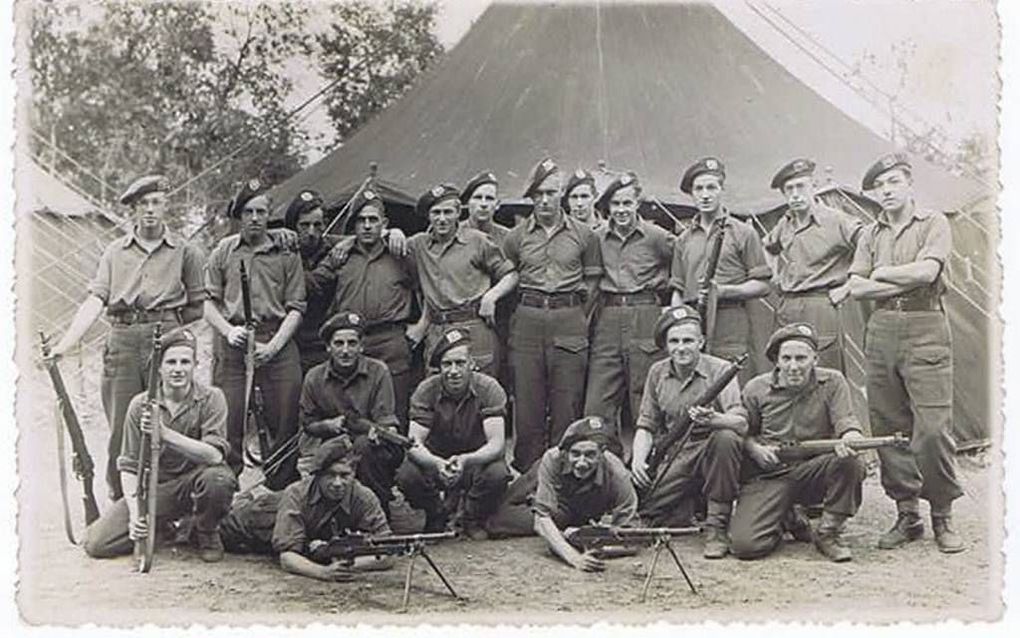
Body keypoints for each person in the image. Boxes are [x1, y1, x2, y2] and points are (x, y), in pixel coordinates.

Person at [48, 174, 205, 500]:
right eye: (142, 204)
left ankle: (167, 499)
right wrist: (65, 344)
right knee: (122, 424)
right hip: (122, 341)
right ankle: (122, 500)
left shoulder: (185, 252)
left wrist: (169, 328)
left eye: (156, 202)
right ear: (133, 210)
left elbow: (197, 308)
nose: (150, 210)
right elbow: (95, 300)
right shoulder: (114, 253)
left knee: (169, 417)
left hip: (167, 341)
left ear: (166, 206)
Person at [847, 152, 964, 554]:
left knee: (932, 429)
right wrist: (890, 279)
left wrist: (879, 274)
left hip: (926, 324)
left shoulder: (933, 222)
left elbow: (928, 273)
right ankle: (907, 514)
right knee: (887, 424)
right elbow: (856, 288)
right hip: (881, 330)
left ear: (908, 183)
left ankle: (942, 515)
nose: (887, 190)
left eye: (894, 181)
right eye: (880, 185)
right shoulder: (869, 233)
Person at [83, 328, 238, 562]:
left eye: (185, 362)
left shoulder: (211, 398)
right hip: (155, 489)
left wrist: (164, 434)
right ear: (159, 367)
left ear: (195, 364)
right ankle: (164, 526)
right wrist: (135, 516)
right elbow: (129, 466)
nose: (178, 369)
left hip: (195, 484)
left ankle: (205, 530)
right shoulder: (141, 404)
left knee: (219, 479)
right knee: (97, 543)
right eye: (171, 362)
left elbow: (215, 456)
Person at [728, 323, 867, 562]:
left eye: (801, 358)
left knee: (850, 461)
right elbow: (742, 431)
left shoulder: (833, 382)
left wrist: (851, 437)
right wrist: (755, 448)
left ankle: (828, 533)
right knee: (746, 547)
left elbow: (846, 421)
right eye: (787, 358)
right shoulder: (756, 388)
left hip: (813, 470)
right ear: (777, 361)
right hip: (770, 475)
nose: (794, 366)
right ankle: (788, 517)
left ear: (815, 358)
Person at [502, 157, 603, 471]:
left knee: (566, 403)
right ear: (531, 197)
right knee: (527, 406)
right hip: (529, 319)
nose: (545, 200)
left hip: (568, 318)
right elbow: (508, 278)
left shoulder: (585, 235)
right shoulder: (515, 237)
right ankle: (527, 479)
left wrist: (575, 315)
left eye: (551, 193)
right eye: (538, 194)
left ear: (562, 193)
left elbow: (593, 280)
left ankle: (566, 474)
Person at [203, 178, 305, 475]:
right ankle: (225, 487)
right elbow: (207, 303)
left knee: (286, 412)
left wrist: (273, 348)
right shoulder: (224, 251)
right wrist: (228, 331)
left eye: (261, 211)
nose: (255, 219)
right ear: (239, 216)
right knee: (228, 415)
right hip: (234, 343)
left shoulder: (286, 251)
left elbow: (297, 307)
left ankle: (281, 485)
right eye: (248, 212)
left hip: (277, 339)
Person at [630, 305, 746, 558]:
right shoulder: (657, 372)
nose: (681, 347)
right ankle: (689, 504)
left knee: (725, 439)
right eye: (674, 341)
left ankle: (716, 528)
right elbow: (646, 424)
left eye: (688, 340)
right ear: (666, 345)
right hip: (677, 454)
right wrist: (639, 459)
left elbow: (740, 423)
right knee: (648, 506)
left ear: (701, 342)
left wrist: (715, 419)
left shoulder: (722, 370)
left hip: (713, 452)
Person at [307, 189, 425, 427]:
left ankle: (396, 461)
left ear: (384, 223)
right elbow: (310, 283)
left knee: (394, 411)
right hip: (350, 342)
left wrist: (421, 326)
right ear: (353, 226)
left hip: (391, 340)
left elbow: (431, 288)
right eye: (361, 220)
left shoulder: (401, 252)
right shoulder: (340, 254)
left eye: (373, 220)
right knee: (352, 411)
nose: (367, 226)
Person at [220, 436, 396, 582]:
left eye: (344, 475)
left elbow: (388, 553)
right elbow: (287, 558)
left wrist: (350, 565)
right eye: (330, 475)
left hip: (297, 535)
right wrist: (324, 572)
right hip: (251, 522)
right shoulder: (297, 494)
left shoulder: (364, 497)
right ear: (317, 476)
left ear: (354, 473)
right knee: (215, 527)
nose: (337, 483)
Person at [583, 172, 673, 456]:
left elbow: (681, 268)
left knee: (643, 395)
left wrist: (664, 287)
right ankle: (604, 464)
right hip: (608, 316)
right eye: (615, 204)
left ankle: (647, 466)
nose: (621, 210)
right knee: (598, 399)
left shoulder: (657, 237)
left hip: (645, 314)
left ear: (638, 204)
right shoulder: (595, 238)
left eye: (627, 203)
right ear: (607, 207)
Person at [397, 329, 511, 538]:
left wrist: (467, 460)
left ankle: (471, 517)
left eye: (460, 363)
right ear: (439, 368)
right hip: (437, 462)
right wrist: (436, 463)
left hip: (475, 461)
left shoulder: (489, 388)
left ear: (471, 364)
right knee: (407, 474)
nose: (453, 371)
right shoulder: (425, 390)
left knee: (498, 473)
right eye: (446, 364)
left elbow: (497, 443)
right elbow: (413, 443)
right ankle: (436, 513)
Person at [486, 416, 638, 571]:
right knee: (497, 522)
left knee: (561, 522)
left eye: (590, 455)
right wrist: (574, 557)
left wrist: (597, 547)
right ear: (565, 452)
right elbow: (542, 520)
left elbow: (631, 538)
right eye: (575, 454)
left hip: (576, 513)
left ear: (602, 452)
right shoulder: (553, 459)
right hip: (554, 503)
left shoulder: (618, 473)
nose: (581, 463)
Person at [670, 157, 771, 384]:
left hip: (730, 319)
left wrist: (724, 291)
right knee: (697, 385)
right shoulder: (683, 240)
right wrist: (678, 327)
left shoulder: (743, 233)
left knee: (732, 382)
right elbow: (677, 288)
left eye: (711, 188)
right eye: (699, 189)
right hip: (694, 320)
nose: (705, 195)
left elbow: (763, 285)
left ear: (721, 190)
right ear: (692, 194)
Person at [297, 311, 406, 519]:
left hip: (373, 447)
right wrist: (329, 425)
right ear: (328, 347)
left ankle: (377, 513)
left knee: (365, 448)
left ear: (361, 346)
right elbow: (308, 423)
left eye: (352, 343)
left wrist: (383, 433)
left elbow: (386, 419)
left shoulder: (378, 371)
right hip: (332, 444)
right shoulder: (315, 377)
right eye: (339, 343)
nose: (345, 350)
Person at [407, 184, 518, 377]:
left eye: (448, 212)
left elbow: (511, 274)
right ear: (428, 216)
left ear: (459, 211)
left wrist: (491, 296)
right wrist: (391, 233)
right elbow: (374, 242)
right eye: (436, 213)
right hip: (437, 330)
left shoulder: (477, 241)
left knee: (481, 387)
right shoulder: (418, 245)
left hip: (474, 327)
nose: (442, 219)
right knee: (439, 389)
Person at [764, 159, 862, 373]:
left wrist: (849, 286)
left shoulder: (836, 220)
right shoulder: (785, 223)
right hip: (787, 305)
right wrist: (774, 275)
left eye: (801, 187)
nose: (795, 194)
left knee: (824, 373)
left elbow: (869, 246)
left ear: (814, 187)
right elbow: (769, 246)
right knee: (786, 372)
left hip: (820, 304)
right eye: (789, 189)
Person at [283, 189, 340, 374]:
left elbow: (364, 238)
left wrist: (392, 232)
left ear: (325, 225)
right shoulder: (283, 253)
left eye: (317, 225)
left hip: (327, 342)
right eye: (304, 225)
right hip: (292, 342)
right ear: (293, 226)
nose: (311, 232)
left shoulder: (336, 248)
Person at [461, 171, 512, 244]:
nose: (483, 204)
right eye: (478, 198)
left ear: (497, 204)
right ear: (468, 202)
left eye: (489, 198)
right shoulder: (454, 234)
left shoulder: (508, 238)